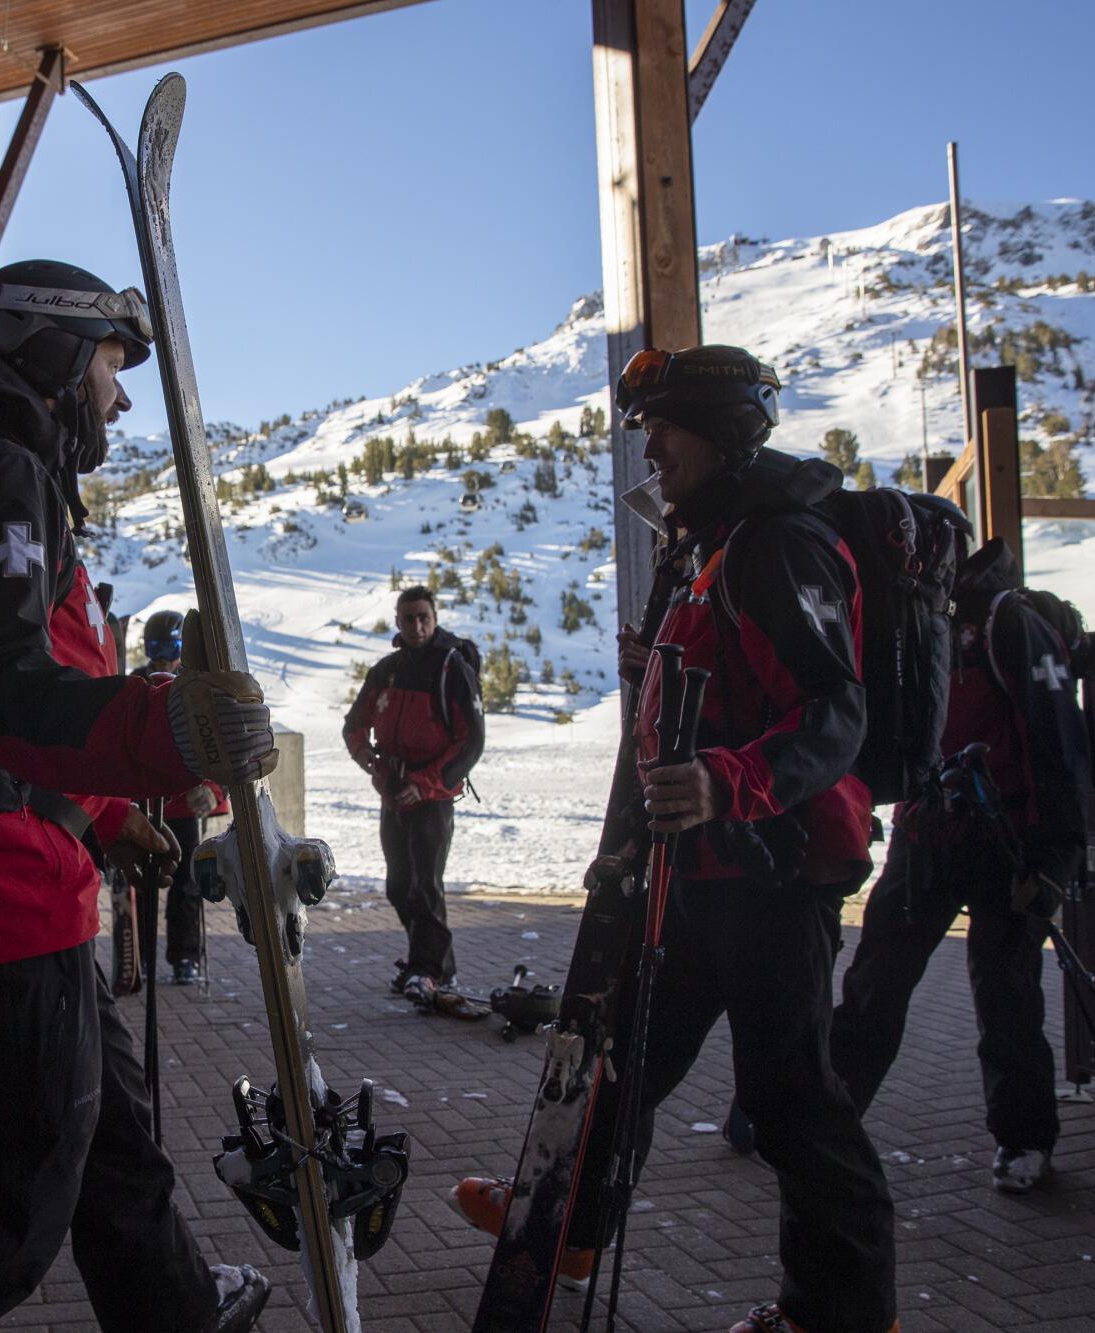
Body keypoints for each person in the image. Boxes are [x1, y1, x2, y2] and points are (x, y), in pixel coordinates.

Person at [0, 259, 274, 1333]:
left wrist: (100, 809)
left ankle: (173, 1309)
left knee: (110, 1130)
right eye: (107, 361)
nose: (118, 394)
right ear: (47, 353)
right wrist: (162, 731)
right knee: (15, 1197)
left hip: (8, 850)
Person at [457, 345, 897, 1333]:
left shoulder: (778, 542)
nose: (647, 448)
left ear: (719, 429)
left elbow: (834, 712)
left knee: (793, 1107)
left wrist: (725, 782)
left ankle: (840, 1315)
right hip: (696, 873)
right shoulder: (704, 549)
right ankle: (563, 1227)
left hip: (770, 874)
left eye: (663, 428)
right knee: (625, 1060)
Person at [831, 536, 1090, 1194]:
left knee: (1005, 996)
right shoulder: (914, 620)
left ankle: (1024, 1139)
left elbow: (1056, 740)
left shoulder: (1008, 623)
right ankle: (821, 1122)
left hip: (1006, 839)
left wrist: (1054, 859)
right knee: (873, 983)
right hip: (928, 832)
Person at [341, 586, 483, 1003]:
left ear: (435, 618)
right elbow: (354, 724)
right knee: (399, 886)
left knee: (425, 885)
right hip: (392, 792)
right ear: (398, 622)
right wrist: (366, 757)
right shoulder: (386, 670)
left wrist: (424, 784)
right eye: (409, 618)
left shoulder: (452, 668)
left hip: (433, 796)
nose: (417, 626)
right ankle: (439, 966)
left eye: (424, 617)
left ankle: (427, 970)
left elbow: (471, 741)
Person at [132, 609, 231, 985]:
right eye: (154, 646)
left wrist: (212, 789)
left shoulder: (198, 689)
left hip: (182, 804)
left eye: (169, 646)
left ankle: (185, 956)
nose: (161, 655)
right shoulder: (135, 685)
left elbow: (218, 748)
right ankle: (138, 957)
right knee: (141, 882)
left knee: (185, 883)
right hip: (141, 803)